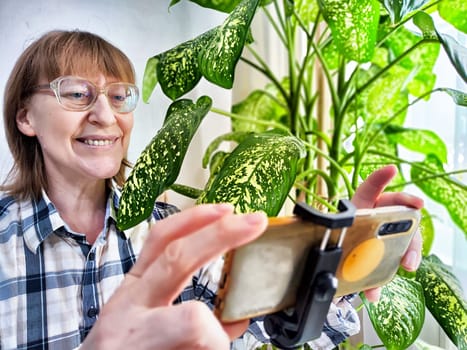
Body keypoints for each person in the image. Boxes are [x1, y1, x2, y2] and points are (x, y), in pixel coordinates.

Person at [0, 30, 423, 350]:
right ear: (25, 118)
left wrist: (339, 253)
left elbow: (264, 330)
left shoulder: (171, 233)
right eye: (77, 93)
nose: (105, 115)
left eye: (120, 96)